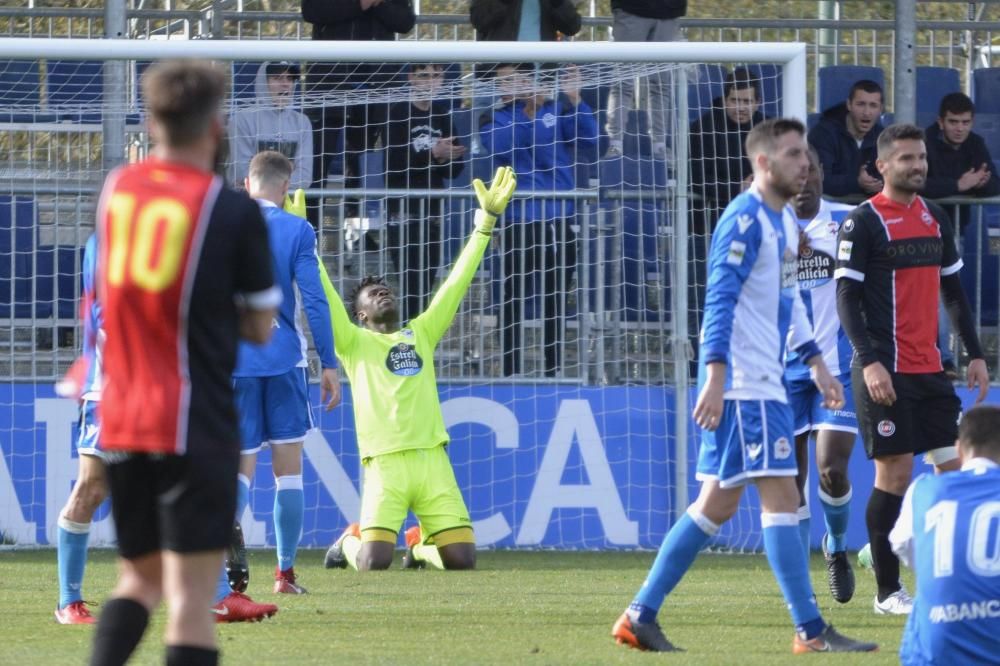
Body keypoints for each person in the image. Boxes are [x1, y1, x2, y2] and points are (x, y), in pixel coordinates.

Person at [611, 118, 877, 654]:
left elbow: (788, 303)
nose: (806, 163)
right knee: (778, 496)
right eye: (795, 154)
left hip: (765, 383)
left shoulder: (780, 224)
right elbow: (718, 300)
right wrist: (715, 376)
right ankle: (809, 629)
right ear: (764, 163)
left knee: (718, 504)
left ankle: (640, 614)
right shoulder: (744, 219)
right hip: (747, 386)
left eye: (806, 154)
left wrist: (818, 363)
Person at [88, 60, 280, 666]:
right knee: (193, 600)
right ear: (217, 128)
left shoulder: (117, 190)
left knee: (137, 581)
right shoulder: (231, 211)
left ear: (150, 120)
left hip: (122, 414)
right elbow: (259, 326)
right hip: (193, 418)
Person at [322, 166, 517, 571]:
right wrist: (306, 245)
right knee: (374, 563)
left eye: (386, 290)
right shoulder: (353, 343)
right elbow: (321, 297)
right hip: (386, 464)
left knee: (462, 561)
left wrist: (484, 225)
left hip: (432, 460)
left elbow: (456, 284)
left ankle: (419, 548)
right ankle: (347, 542)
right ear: (360, 315)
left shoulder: (422, 332)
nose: (383, 293)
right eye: (373, 294)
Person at [835, 122, 990, 617]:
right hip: (885, 370)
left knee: (955, 473)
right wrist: (870, 360)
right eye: (906, 159)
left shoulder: (936, 218)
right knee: (895, 473)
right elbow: (846, 298)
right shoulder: (863, 223)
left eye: (921, 158)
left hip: (930, 371)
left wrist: (976, 354)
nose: (917, 165)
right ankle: (887, 592)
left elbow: (954, 293)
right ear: (882, 166)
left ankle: (952, 580)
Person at [225, 151, 342, 599]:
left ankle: (223, 565)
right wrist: (328, 362)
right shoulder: (298, 229)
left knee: (240, 470)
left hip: (235, 361)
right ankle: (284, 575)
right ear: (287, 190)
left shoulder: (224, 226)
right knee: (288, 472)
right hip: (284, 361)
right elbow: (314, 300)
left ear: (246, 183)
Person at [480, 63, 598, 377]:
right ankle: (510, 370)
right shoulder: (494, 117)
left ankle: (553, 370)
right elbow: (501, 146)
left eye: (518, 77)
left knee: (556, 296)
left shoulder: (557, 111)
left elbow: (590, 142)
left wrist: (575, 101)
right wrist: (527, 115)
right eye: (505, 80)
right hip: (518, 219)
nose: (512, 84)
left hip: (559, 217)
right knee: (513, 296)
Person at [784, 147, 859, 604]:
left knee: (831, 469)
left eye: (813, 171)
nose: (805, 180)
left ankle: (835, 545)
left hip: (838, 366)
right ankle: (803, 591)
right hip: (781, 371)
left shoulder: (849, 220)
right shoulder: (767, 228)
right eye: (797, 173)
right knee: (790, 482)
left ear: (823, 175)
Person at [890, 404, 1000, 666]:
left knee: (923, 602)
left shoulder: (924, 490)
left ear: (959, 449)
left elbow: (904, 547)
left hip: (938, 652)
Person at [301, 0, 415, 223]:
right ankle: (309, 233)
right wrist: (359, 4)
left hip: (378, 82)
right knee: (317, 162)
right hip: (329, 80)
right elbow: (312, 10)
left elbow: (405, 21)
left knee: (363, 164)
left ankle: (359, 229)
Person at [922, 92, 1000, 376]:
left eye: (965, 122)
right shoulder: (924, 142)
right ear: (940, 121)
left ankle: (943, 359)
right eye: (953, 121)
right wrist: (959, 184)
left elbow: (993, 185)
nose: (959, 128)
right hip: (921, 232)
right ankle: (941, 359)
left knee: (947, 297)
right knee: (933, 298)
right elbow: (918, 184)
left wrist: (975, 185)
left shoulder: (975, 144)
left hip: (954, 232)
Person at [384, 63, 466, 323]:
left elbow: (456, 169)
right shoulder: (398, 112)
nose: (430, 81)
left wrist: (445, 158)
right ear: (411, 78)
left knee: (425, 290)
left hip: (431, 213)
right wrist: (433, 154)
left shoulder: (442, 114)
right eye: (423, 76)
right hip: (403, 213)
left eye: (436, 76)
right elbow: (394, 164)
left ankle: (418, 345)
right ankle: (406, 343)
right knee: (410, 287)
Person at [53, 234, 107, 625]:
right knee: (91, 489)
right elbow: (102, 313)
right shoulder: (107, 237)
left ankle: (216, 596)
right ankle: (68, 600)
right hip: (112, 386)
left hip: (167, 386)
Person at [469, 0, 581, 147]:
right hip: (494, 78)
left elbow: (572, 26)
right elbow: (479, 20)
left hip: (540, 81)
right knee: (485, 148)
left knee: (541, 146)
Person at [604, 0, 687, 159]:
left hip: (669, 12)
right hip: (631, 9)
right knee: (623, 82)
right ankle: (615, 145)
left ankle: (660, 147)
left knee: (662, 85)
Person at [690, 67, 767, 230]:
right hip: (711, 222)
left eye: (747, 101)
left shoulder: (769, 129)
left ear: (757, 102)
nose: (741, 108)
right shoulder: (703, 128)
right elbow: (695, 178)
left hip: (759, 219)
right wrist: (738, 188)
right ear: (725, 100)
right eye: (735, 100)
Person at [228, 61, 313, 192]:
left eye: (289, 78)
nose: (285, 84)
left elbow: (305, 177)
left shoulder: (302, 122)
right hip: (249, 205)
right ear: (263, 83)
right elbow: (241, 173)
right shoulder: (241, 120)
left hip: (287, 207)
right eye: (277, 78)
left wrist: (260, 172)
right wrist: (288, 168)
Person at [808, 79, 885, 198]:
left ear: (880, 110)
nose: (866, 112)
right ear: (849, 105)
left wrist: (877, 183)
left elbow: (892, 175)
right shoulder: (823, 134)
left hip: (869, 203)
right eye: (861, 104)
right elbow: (819, 179)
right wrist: (857, 182)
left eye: (873, 106)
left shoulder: (883, 136)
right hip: (830, 202)